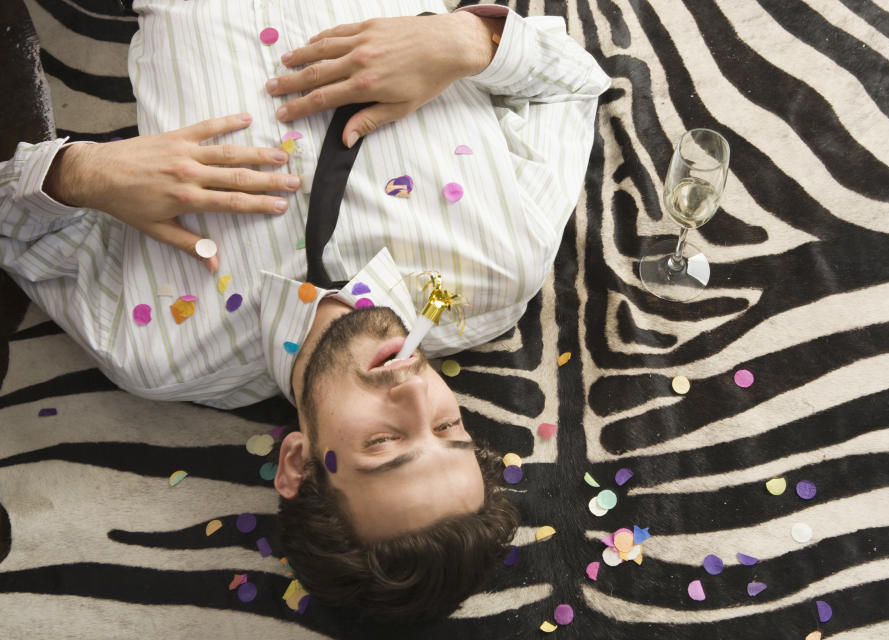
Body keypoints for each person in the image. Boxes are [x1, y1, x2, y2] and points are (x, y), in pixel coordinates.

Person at [0, 0, 609, 621]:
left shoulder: (155, 348)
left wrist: (82, 172)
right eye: (449, 429)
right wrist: (464, 39)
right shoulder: (501, 271)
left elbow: (17, 227)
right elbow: (572, 85)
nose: (415, 393)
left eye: (383, 440)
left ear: (297, 461)